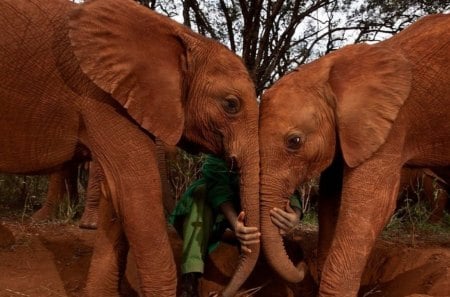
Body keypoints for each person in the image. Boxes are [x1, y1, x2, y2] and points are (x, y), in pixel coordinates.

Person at [169, 154, 302, 297]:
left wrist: (295, 214)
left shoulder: (269, 146)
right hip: (218, 213)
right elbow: (216, 185)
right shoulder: (221, 145)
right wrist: (235, 224)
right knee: (201, 193)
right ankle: (190, 278)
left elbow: (286, 183)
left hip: (251, 211)